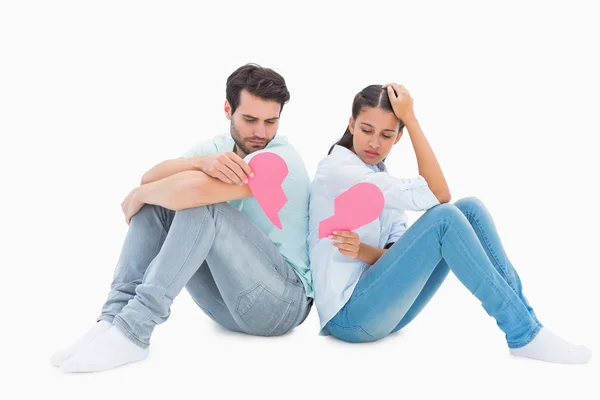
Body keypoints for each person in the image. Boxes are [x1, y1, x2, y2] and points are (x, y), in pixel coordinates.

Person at [51, 63, 314, 373]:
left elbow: (177, 191)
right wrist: (201, 163)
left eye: (271, 121)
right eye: (250, 119)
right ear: (228, 110)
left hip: (282, 306)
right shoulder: (217, 149)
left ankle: (134, 331)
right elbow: (151, 178)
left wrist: (139, 193)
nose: (261, 133)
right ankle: (113, 319)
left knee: (200, 204)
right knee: (161, 203)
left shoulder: (279, 158)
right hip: (225, 306)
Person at [307, 83, 592, 364]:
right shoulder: (340, 171)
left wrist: (362, 251)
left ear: (398, 138)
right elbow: (439, 194)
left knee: (469, 209)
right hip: (349, 318)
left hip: (382, 311)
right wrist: (412, 120)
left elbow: (395, 255)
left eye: (386, 134)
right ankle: (523, 332)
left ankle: (529, 324)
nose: (374, 143)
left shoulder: (379, 174)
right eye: (367, 130)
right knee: (445, 218)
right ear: (351, 124)